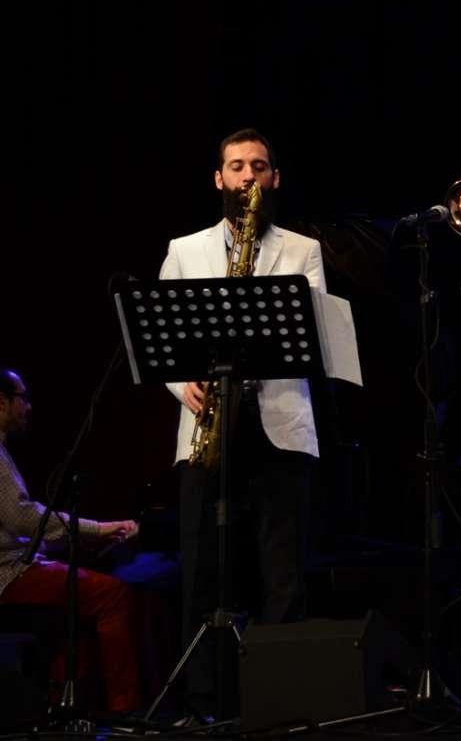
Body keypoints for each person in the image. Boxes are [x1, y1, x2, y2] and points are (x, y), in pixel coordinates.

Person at [159, 128, 325, 719]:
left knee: (283, 573)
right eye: (236, 166)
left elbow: (309, 336)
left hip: (277, 422)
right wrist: (184, 383)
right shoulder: (185, 250)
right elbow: (162, 338)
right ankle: (204, 700)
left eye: (258, 165)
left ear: (274, 177)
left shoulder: (303, 250)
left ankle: (278, 702)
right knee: (203, 569)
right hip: (208, 422)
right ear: (219, 178)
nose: (247, 175)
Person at [0, 368, 141, 714]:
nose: (29, 406)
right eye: (23, 398)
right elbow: (22, 518)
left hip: (14, 566)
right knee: (111, 595)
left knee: (77, 611)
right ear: (1, 402)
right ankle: (126, 711)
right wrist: (100, 529)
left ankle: (65, 712)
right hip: (7, 575)